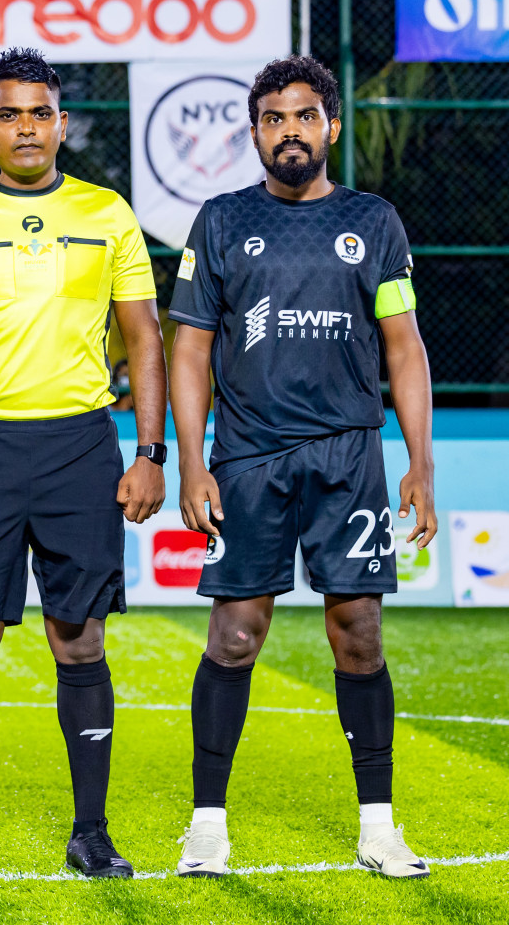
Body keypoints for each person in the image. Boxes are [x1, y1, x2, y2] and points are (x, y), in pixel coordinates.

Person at [0, 47, 167, 879]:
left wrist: (151, 452)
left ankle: (92, 832)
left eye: (39, 112)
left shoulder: (108, 212)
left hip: (81, 448)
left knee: (78, 641)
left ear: (62, 123)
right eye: (8, 113)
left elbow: (146, 339)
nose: (25, 127)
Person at [168, 55, 435, 879]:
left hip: (349, 456)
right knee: (236, 635)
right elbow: (189, 350)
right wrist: (190, 462)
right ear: (254, 133)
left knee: (358, 634)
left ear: (330, 126)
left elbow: (405, 347)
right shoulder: (218, 222)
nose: (291, 130)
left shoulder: (373, 222)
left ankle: (379, 827)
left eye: (305, 116)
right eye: (275, 119)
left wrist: (420, 462)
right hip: (247, 459)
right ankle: (207, 826)